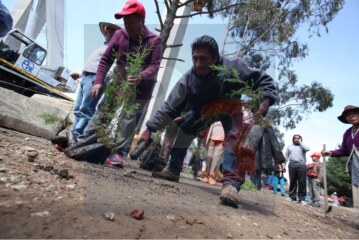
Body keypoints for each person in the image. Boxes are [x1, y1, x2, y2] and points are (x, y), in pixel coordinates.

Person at [138, 35, 277, 208]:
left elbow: (263, 80)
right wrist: (150, 128)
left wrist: (266, 100)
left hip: (230, 109)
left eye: (203, 59)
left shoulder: (234, 67)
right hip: (202, 111)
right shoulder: (188, 79)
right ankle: (173, 170)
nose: (198, 64)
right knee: (186, 128)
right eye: (195, 59)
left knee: (235, 138)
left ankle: (231, 186)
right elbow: (169, 106)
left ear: (216, 58)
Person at [90, 0, 162, 166]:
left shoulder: (154, 41)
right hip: (119, 81)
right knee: (104, 110)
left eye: (130, 21)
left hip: (141, 88)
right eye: (124, 21)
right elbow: (106, 59)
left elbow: (154, 65)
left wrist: (141, 76)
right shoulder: (119, 35)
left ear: (141, 21)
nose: (126, 25)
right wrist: (98, 81)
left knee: (128, 118)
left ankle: (118, 153)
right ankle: (90, 140)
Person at [70, 22, 120, 140]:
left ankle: (77, 133)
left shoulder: (114, 50)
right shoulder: (103, 48)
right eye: (107, 30)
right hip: (87, 78)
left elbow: (113, 68)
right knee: (78, 109)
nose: (108, 32)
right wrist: (81, 74)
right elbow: (93, 65)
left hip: (95, 79)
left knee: (87, 109)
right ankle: (75, 134)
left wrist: (100, 80)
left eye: (112, 31)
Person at [322, 105, 359, 208]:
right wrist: (331, 152)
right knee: (357, 189)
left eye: (354, 113)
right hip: (355, 165)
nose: (351, 116)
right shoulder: (347, 133)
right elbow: (345, 150)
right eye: (348, 115)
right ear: (346, 119)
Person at [284, 134, 310, 205]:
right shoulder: (289, 147)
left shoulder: (303, 146)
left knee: (302, 182)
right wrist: (284, 165)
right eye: (295, 138)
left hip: (301, 165)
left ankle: (302, 199)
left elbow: (308, 149)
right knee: (292, 181)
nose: (296, 139)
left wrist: (300, 142)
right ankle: (292, 197)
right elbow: (286, 156)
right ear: (293, 139)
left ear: (300, 139)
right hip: (292, 164)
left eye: (298, 138)